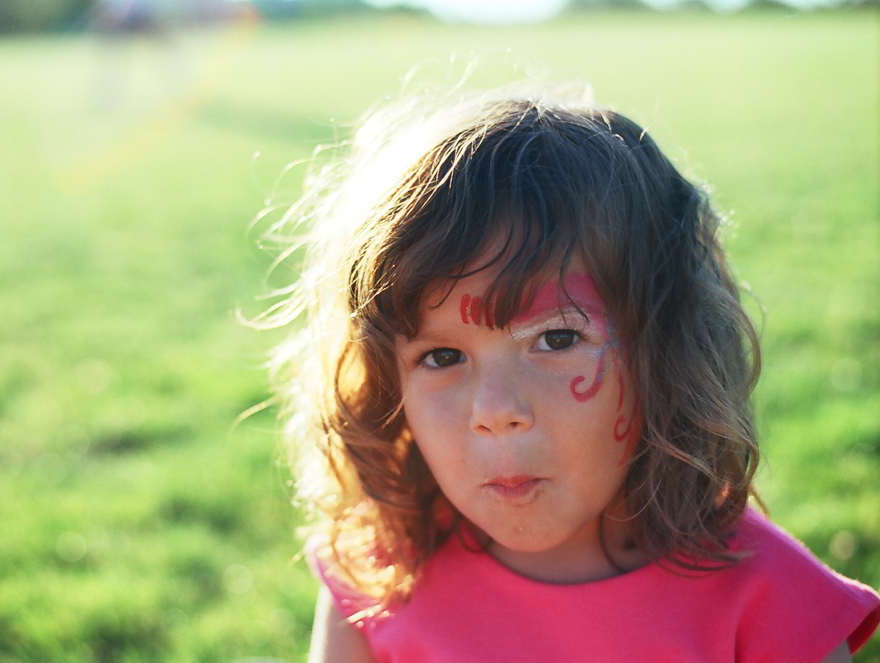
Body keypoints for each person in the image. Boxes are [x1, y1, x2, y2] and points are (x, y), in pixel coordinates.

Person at [260, 82, 880, 662]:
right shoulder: (375, 580)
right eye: (442, 357)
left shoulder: (771, 603)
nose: (494, 411)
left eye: (557, 339)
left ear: (666, 350)